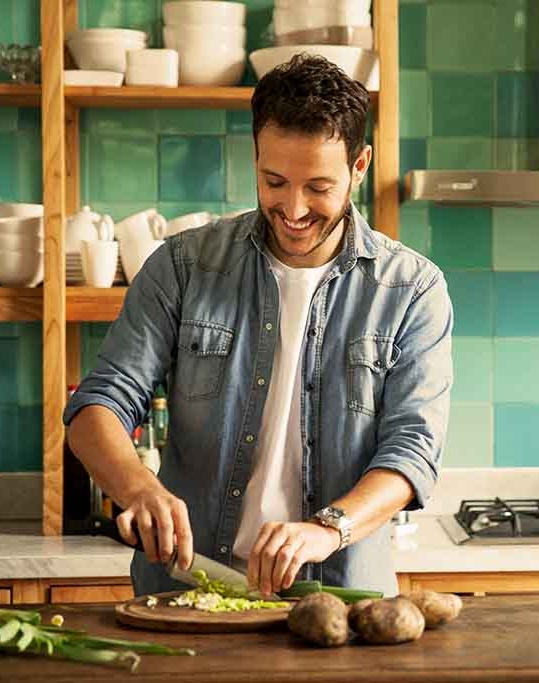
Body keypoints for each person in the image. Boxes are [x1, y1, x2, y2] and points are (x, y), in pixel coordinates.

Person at [64, 54, 453, 599]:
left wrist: (328, 528)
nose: (293, 208)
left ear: (359, 166)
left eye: (318, 186)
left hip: (334, 602)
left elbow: (412, 451)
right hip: (188, 591)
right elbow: (97, 406)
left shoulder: (412, 289)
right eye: (275, 181)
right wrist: (138, 490)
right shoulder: (183, 267)